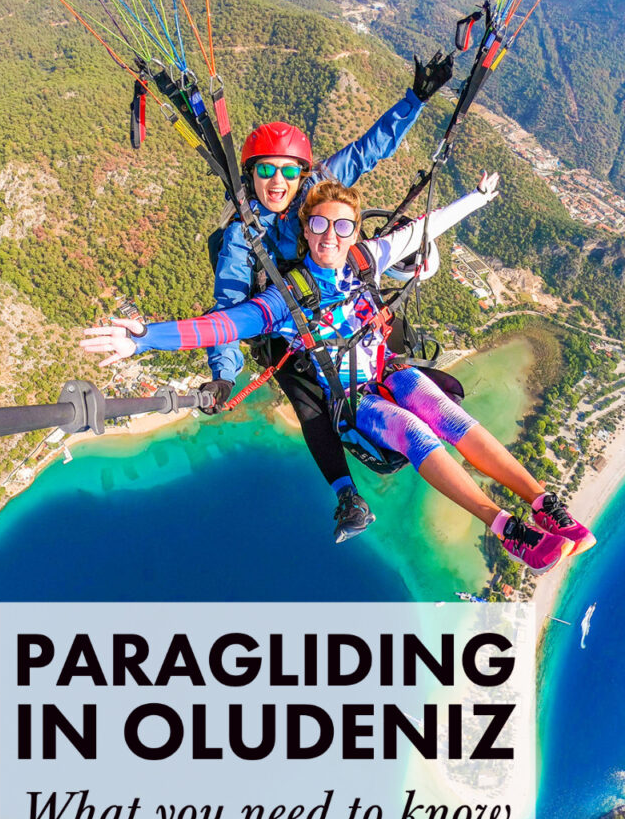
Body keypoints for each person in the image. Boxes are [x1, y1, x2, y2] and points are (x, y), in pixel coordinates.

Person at [82, 174, 595, 573]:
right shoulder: (284, 298)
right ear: (305, 229)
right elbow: (221, 325)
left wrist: (477, 200)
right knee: (415, 430)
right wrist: (145, 337)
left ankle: (545, 503)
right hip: (353, 402)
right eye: (320, 225)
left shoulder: (361, 262)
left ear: (353, 230)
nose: (331, 235)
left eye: (343, 225)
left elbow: (422, 229)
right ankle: (504, 526)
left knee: (440, 409)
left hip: (384, 371)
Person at [205, 50, 454, 543]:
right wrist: (222, 374)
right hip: (288, 325)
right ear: (250, 174)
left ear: (302, 173)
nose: (278, 182)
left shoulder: (317, 188)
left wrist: (416, 99)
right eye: (266, 171)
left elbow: (368, 150)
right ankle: (347, 494)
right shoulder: (241, 236)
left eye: (288, 172)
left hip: (341, 299)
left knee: (386, 347)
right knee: (308, 398)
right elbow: (226, 309)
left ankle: (423, 413)